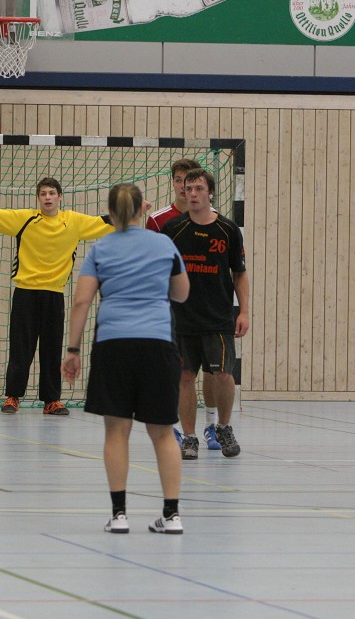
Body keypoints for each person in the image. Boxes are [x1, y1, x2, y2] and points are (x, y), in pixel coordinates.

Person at [61, 183, 189, 534]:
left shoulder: (100, 248)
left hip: (114, 345)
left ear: (111, 212)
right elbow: (181, 294)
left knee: (116, 431)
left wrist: (72, 351)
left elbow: (81, 301)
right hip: (157, 344)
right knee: (163, 433)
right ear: (140, 210)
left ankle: (119, 515)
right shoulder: (164, 244)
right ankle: (172, 515)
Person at [0, 178, 113, 415]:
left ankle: (52, 401)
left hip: (54, 295)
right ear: (39, 198)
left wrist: (134, 212)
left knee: (51, 349)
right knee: (21, 347)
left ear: (60, 197)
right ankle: (12, 396)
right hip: (25, 293)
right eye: (43, 194)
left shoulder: (75, 222)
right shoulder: (24, 219)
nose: (47, 197)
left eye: (51, 193)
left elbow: (105, 222)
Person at [162, 168, 248, 460]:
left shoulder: (227, 230)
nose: (193, 194)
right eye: (188, 188)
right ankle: (188, 437)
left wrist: (244, 311)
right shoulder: (173, 229)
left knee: (223, 375)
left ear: (210, 192)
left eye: (199, 188)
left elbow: (239, 273)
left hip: (218, 318)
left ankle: (223, 427)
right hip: (182, 318)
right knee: (184, 377)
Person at [146, 158, 223, 450]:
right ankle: (177, 429)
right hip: (172, 309)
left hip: (209, 308)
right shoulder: (158, 221)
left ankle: (212, 425)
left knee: (214, 371)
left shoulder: (214, 219)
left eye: (188, 182)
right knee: (178, 373)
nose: (183, 187)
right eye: (178, 181)